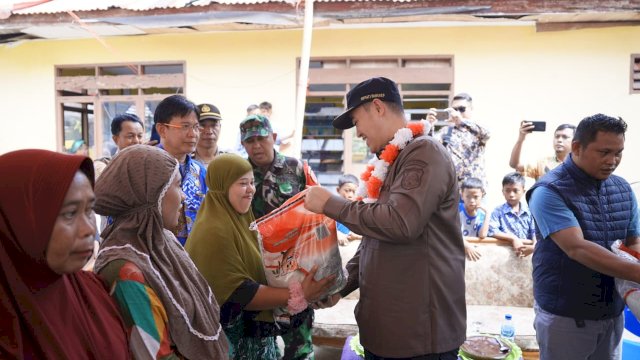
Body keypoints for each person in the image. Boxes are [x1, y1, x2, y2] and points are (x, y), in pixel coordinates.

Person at [305, 77, 466, 359]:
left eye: (356, 121)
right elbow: (374, 238)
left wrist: (330, 203)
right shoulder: (391, 161)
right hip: (385, 334)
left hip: (418, 338)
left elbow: (399, 223)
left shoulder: (423, 152)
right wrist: (340, 286)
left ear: (377, 107)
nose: (357, 134)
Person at [185, 153, 333, 359]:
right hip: (233, 343)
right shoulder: (214, 230)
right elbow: (238, 292)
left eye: (252, 182)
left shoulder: (240, 220)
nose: (251, 190)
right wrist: (299, 293)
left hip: (255, 337)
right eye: (242, 183)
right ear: (222, 186)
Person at [93, 145, 229, 359]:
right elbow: (155, 354)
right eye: (176, 186)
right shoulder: (125, 271)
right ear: (151, 195)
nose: (183, 196)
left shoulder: (164, 241)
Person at [527, 113, 640, 360]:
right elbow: (576, 248)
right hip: (566, 316)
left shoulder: (622, 188)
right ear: (577, 147)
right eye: (604, 152)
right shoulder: (549, 191)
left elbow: (633, 241)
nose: (612, 160)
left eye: (618, 152)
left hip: (612, 312)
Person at [0, 149, 130, 359]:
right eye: (69, 213)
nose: (89, 229)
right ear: (17, 222)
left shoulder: (95, 291)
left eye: (89, 210)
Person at [240, 114, 318, 359]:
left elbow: (315, 213)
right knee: (260, 344)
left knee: (299, 346)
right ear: (243, 144)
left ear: (273, 138)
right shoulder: (240, 173)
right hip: (256, 270)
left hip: (293, 267)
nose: (256, 145)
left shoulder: (296, 168)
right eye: (249, 141)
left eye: (261, 139)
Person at [154, 94, 207, 246]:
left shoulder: (200, 171)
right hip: (157, 254)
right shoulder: (146, 168)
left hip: (195, 255)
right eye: (185, 126)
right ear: (162, 129)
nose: (193, 134)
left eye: (196, 127)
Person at [427, 93, 490, 187]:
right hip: (453, 189)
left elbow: (486, 134)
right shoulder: (446, 131)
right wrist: (429, 126)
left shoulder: (476, 129)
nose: (457, 113)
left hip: (474, 191)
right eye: (454, 109)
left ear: (471, 109)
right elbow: (431, 148)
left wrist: (461, 121)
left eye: (461, 109)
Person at [488, 172, 536, 257]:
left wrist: (534, 247)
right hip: (504, 256)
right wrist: (513, 238)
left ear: (523, 191)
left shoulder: (530, 211)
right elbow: (492, 231)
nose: (511, 194)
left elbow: (535, 233)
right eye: (507, 190)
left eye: (515, 190)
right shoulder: (498, 211)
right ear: (503, 191)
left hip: (528, 255)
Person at [509, 122, 576, 180]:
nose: (559, 140)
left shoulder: (580, 164)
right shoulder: (542, 163)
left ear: (574, 141)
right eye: (557, 136)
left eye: (564, 137)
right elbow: (515, 165)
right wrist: (521, 138)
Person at [94, 113, 145, 178]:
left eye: (140, 136)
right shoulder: (103, 165)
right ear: (115, 139)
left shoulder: (147, 163)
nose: (137, 141)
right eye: (130, 136)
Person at [459, 177, 489, 261]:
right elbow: (450, 232)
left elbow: (482, 235)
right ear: (462, 196)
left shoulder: (481, 214)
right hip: (458, 248)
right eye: (468, 197)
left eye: (476, 197)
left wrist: (488, 213)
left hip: (473, 252)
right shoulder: (456, 209)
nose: (472, 200)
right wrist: (466, 245)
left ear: (482, 195)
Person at [335, 174, 362, 246]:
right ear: (338, 190)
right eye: (347, 190)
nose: (350, 195)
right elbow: (319, 231)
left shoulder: (360, 211)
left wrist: (357, 237)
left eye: (354, 191)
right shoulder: (329, 209)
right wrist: (336, 234)